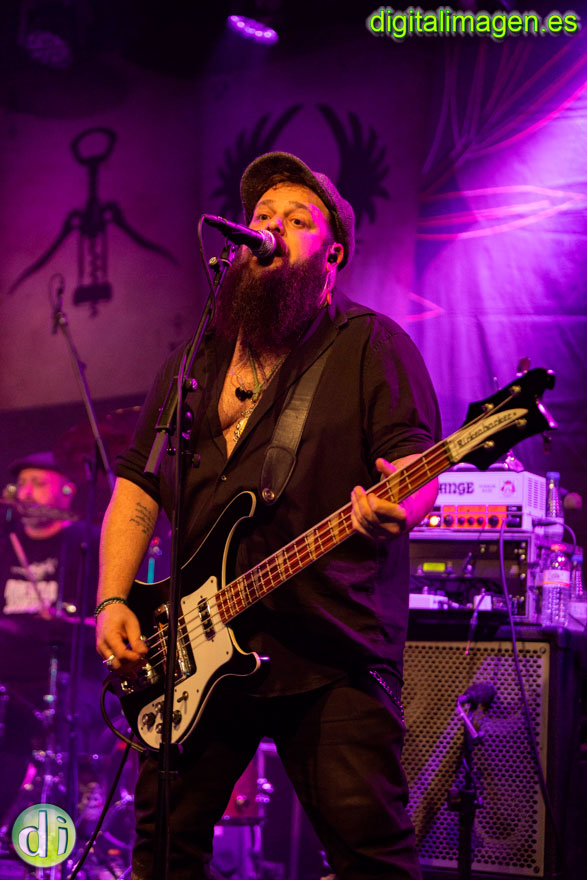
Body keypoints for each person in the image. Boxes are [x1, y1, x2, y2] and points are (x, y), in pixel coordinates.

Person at [95, 151, 441, 880]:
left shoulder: (371, 345)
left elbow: (414, 468)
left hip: (330, 647)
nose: (271, 228)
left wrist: (399, 507)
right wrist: (112, 599)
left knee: (370, 854)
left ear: (333, 256)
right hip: (194, 645)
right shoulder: (195, 360)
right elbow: (138, 487)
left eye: (297, 220)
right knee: (162, 852)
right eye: (260, 216)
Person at [0, 451, 99, 824]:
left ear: (67, 491)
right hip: (9, 679)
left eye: (38, 483)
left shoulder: (88, 544)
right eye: (22, 484)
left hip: (68, 677)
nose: (25, 492)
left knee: (73, 715)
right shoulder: (5, 544)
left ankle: (77, 809)